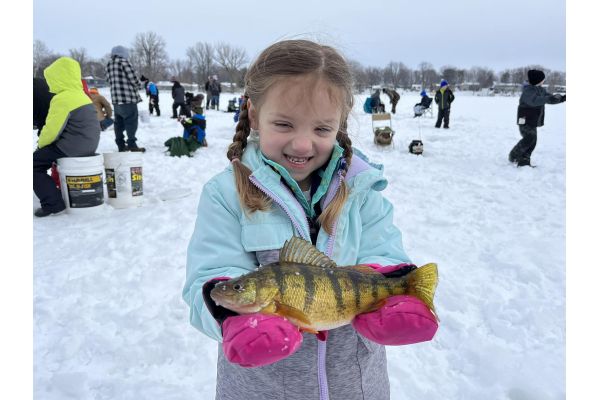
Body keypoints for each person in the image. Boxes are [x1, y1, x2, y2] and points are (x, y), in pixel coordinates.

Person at [182, 39, 438, 400]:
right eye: (284, 124)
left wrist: (397, 290)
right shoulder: (226, 194)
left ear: (340, 123)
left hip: (357, 384)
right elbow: (208, 275)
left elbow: (384, 250)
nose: (302, 145)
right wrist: (232, 320)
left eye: (321, 129)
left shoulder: (362, 188)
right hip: (261, 390)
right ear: (254, 115)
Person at [33, 57, 100, 217]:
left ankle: (52, 205)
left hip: (72, 146)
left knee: (33, 165)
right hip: (89, 144)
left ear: (58, 78)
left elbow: (51, 131)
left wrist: (40, 147)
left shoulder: (62, 98)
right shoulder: (82, 95)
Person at [508, 69, 565, 167]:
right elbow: (534, 101)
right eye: (543, 79)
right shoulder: (528, 91)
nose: (544, 81)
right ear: (537, 80)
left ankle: (525, 160)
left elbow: (550, 98)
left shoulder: (541, 90)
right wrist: (548, 98)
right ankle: (514, 155)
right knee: (529, 138)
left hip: (533, 119)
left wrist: (561, 98)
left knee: (533, 141)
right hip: (525, 119)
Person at [105, 45, 145, 152]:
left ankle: (121, 145)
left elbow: (108, 80)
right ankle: (132, 144)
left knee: (118, 123)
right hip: (128, 99)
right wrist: (140, 85)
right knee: (131, 122)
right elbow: (134, 79)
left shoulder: (109, 64)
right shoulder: (124, 62)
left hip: (116, 99)